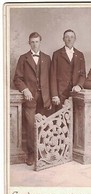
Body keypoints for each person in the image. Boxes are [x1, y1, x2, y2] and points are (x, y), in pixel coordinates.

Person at [14, 32, 51, 165]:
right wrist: (25, 89)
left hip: (45, 97)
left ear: (40, 42)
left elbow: (51, 78)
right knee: (30, 125)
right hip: (30, 98)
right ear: (29, 43)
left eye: (37, 42)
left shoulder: (47, 58)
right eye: (32, 42)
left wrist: (51, 96)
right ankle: (31, 154)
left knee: (44, 124)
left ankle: (42, 151)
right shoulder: (23, 58)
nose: (35, 44)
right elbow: (17, 78)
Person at [50, 29, 86, 110]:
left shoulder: (80, 55)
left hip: (76, 93)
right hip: (61, 93)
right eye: (67, 37)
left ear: (75, 39)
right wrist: (54, 95)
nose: (69, 39)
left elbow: (83, 74)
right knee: (61, 119)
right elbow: (52, 76)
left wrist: (79, 85)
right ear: (63, 39)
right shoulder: (57, 54)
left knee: (76, 118)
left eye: (72, 37)